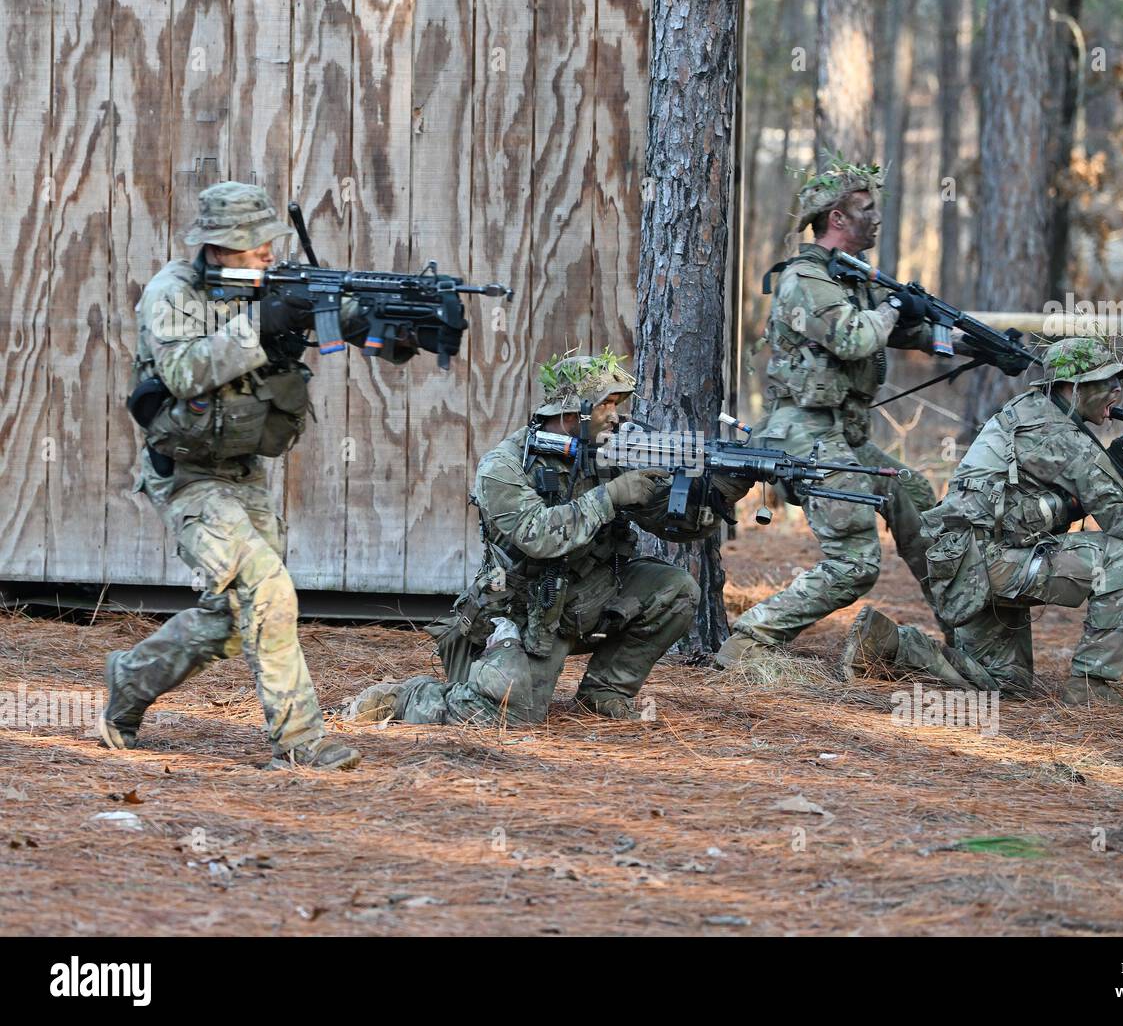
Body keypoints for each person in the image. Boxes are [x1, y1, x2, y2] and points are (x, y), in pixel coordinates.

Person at [99, 181, 362, 769]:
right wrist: (263, 325)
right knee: (269, 589)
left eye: (269, 241)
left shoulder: (270, 286)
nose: (267, 253)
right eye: (252, 245)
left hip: (242, 471)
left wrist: (372, 322)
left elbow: (350, 330)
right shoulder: (171, 293)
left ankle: (131, 679)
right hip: (187, 476)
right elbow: (185, 371)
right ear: (218, 248)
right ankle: (300, 742)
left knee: (233, 623)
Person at [840, 337, 1123, 703]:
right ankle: (1092, 684)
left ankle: (891, 644)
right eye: (1104, 382)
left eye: (1117, 380)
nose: (1117, 390)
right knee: (1119, 556)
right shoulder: (1065, 439)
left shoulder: (1031, 410)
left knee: (1006, 686)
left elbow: (1048, 494)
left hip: (966, 562)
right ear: (1072, 389)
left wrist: (1120, 461)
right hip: (990, 564)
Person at [346, 352, 748, 727]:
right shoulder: (504, 466)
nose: (615, 417)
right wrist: (611, 496)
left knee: (676, 590)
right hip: (527, 612)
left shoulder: (606, 454)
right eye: (606, 405)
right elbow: (536, 536)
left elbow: (672, 525)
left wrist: (720, 490)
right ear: (573, 414)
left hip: (592, 595)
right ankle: (406, 698)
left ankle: (605, 692)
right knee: (507, 717)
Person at [716, 158, 953, 668]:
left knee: (914, 496)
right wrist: (894, 309)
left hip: (840, 434)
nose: (876, 218)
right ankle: (749, 640)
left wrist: (969, 342)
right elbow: (854, 337)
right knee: (856, 563)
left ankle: (970, 636)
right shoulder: (806, 279)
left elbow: (904, 330)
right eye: (866, 209)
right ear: (837, 219)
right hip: (801, 433)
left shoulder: (852, 280)